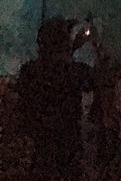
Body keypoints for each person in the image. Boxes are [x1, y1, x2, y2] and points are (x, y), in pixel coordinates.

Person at [17, 17, 95, 181]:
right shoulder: (75, 72)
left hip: (39, 148)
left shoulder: (28, 71)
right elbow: (96, 79)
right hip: (67, 148)